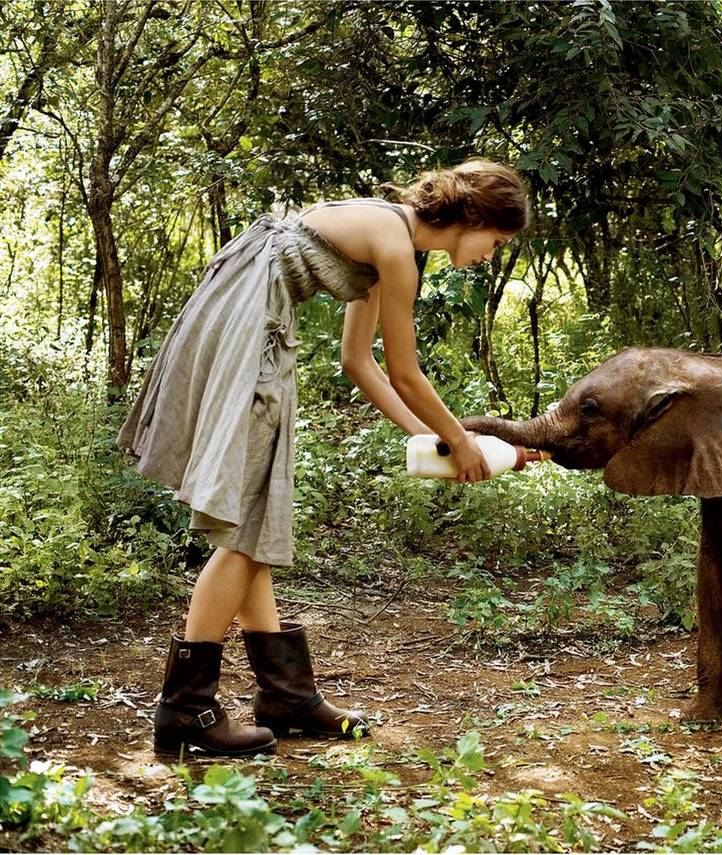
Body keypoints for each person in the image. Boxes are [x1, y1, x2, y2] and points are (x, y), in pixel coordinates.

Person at [118, 159, 530, 757]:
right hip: (250, 332)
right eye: (496, 242)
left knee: (254, 523)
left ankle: (286, 695)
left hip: (242, 319)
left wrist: (434, 438)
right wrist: (459, 441)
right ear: (472, 217)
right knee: (241, 529)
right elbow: (406, 373)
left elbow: (358, 362)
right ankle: (185, 709)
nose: (492, 255)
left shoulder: (390, 239)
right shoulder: (394, 245)